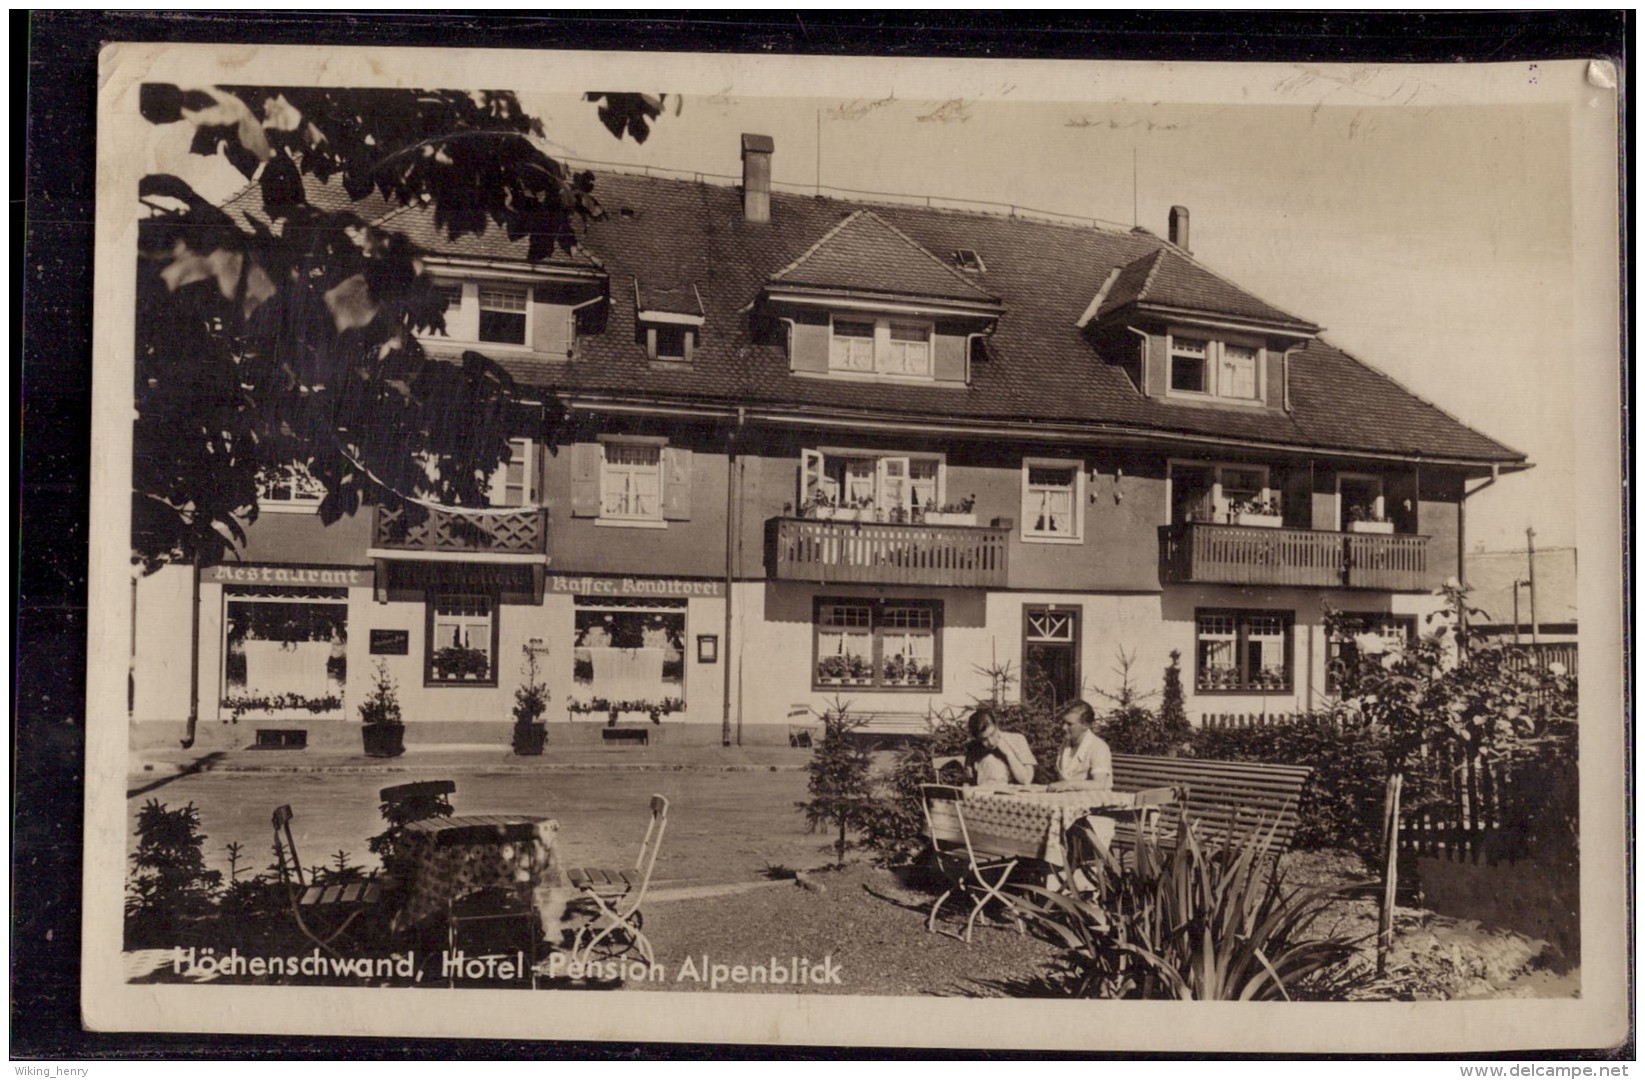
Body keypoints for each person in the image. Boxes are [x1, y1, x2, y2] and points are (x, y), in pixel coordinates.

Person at [1047, 700, 1113, 792]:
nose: (1063, 727)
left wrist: (1069, 784)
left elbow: (1099, 784)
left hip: (1095, 802)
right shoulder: (1065, 744)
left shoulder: (1098, 747)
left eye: (1069, 724)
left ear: (1085, 725)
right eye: (1063, 722)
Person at [962, 705, 1036, 786]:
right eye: (984, 739)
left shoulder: (1017, 739)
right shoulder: (974, 747)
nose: (991, 742)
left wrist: (1009, 754)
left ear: (996, 726)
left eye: (992, 734)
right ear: (977, 738)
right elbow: (969, 781)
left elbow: (1026, 779)